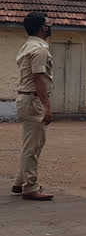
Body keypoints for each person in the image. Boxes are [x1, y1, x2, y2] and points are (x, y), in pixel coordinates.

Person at [12, 11, 55, 201]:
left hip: (26, 98)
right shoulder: (40, 49)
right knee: (34, 145)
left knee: (31, 143)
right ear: (43, 27)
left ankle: (19, 181)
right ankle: (30, 186)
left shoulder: (27, 45)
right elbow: (38, 78)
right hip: (33, 99)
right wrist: (46, 106)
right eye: (48, 23)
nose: (51, 25)